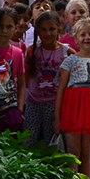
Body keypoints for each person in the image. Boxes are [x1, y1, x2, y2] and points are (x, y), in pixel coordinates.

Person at [55, 18, 90, 179]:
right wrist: (57, 118)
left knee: (87, 152)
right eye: (83, 34)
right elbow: (61, 91)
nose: (87, 37)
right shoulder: (70, 61)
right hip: (73, 108)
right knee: (73, 152)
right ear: (76, 38)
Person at [25, 11, 71, 146]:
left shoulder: (66, 51)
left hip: (54, 104)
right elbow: (26, 73)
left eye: (52, 29)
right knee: (29, 140)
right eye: (43, 29)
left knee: (50, 142)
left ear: (59, 29)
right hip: (33, 102)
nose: (48, 33)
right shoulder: (32, 50)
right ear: (37, 31)